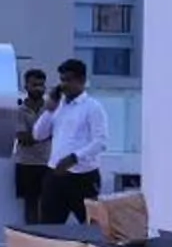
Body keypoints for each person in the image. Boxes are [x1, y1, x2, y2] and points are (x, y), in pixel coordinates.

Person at [32, 57, 110, 224]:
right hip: (55, 176)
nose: (63, 85)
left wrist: (74, 158)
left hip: (83, 178)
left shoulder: (92, 107)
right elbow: (38, 135)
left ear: (81, 80)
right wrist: (49, 110)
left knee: (92, 227)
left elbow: (100, 141)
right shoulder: (58, 106)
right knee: (48, 229)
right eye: (61, 80)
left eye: (68, 80)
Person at [13, 67, 51, 223]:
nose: (39, 89)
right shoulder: (19, 110)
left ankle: (46, 241)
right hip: (26, 164)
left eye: (41, 85)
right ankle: (31, 240)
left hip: (48, 164)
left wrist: (36, 136)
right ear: (26, 86)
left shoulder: (51, 109)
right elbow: (23, 139)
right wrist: (46, 134)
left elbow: (59, 132)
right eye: (34, 85)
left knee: (49, 206)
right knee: (30, 206)